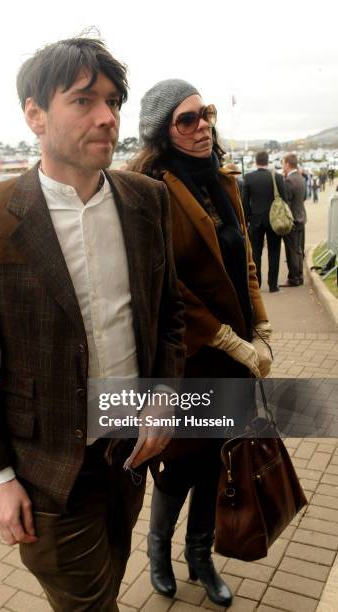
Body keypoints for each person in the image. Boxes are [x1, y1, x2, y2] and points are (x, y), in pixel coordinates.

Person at [0, 37, 186, 612]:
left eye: (112, 101)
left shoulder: (146, 200)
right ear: (34, 114)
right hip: (49, 470)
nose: (107, 117)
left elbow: (169, 319)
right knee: (86, 601)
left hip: (131, 453)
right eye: (84, 101)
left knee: (110, 573)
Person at [129, 79, 272, 607]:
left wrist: (262, 330)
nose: (202, 125)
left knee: (219, 460)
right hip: (190, 355)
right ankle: (158, 553)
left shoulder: (223, 182)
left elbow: (247, 263)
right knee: (183, 463)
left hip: (235, 355)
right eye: (185, 119)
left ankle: (200, 558)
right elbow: (168, 286)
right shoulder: (150, 189)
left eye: (204, 113)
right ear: (162, 133)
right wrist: (232, 341)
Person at [242, 151, 288, 292]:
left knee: (256, 253)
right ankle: (273, 286)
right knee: (274, 252)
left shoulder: (248, 177)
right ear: (267, 161)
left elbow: (244, 202)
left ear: (256, 161)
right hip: (275, 221)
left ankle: (257, 284)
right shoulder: (278, 177)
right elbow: (284, 200)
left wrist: (248, 218)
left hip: (256, 221)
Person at [281, 153, 307, 287]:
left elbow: (286, 203)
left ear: (287, 164)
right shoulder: (301, 178)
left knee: (292, 250)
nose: (282, 166)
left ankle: (294, 278)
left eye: (283, 163)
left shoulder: (288, 181)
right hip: (302, 217)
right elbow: (304, 198)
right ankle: (300, 276)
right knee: (299, 249)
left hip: (293, 220)